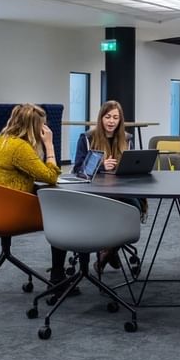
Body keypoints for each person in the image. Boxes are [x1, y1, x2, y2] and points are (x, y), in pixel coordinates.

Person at [0, 104, 70, 287]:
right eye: (42, 125)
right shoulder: (20, 148)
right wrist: (49, 145)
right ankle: (58, 277)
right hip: (9, 213)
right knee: (62, 213)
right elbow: (51, 176)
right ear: (34, 127)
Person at [72, 100, 144, 272]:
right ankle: (110, 250)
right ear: (101, 118)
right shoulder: (87, 138)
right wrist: (101, 166)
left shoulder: (127, 139)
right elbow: (78, 168)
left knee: (135, 208)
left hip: (122, 189)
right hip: (96, 191)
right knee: (120, 209)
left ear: (120, 120)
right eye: (108, 117)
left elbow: (134, 164)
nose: (111, 121)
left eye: (115, 118)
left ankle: (109, 250)